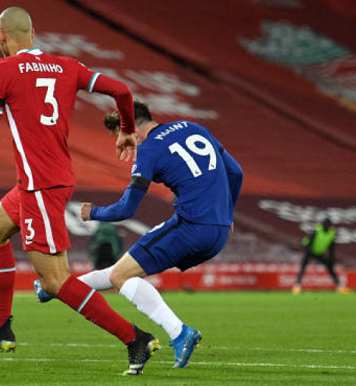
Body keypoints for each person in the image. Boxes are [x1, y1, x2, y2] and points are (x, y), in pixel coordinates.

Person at [0, 7, 158, 376]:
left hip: (41, 187)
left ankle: (135, 339)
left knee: (55, 280)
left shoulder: (0, 71)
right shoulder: (67, 66)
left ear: (1, 36)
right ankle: (2, 328)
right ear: (33, 31)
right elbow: (122, 90)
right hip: (41, 180)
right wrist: (127, 130)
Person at [37, 101, 243, 368]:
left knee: (121, 276)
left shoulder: (150, 149)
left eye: (122, 135)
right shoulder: (195, 128)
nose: (124, 144)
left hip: (191, 225)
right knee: (121, 270)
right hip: (219, 232)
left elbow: (126, 208)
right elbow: (235, 172)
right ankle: (52, 288)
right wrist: (228, 213)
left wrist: (93, 213)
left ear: (130, 128)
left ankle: (180, 333)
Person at [292, 218, 350, 294]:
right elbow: (309, 241)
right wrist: (307, 253)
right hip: (309, 250)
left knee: (330, 268)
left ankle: (339, 286)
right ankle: (297, 286)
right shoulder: (317, 230)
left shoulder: (331, 233)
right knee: (303, 267)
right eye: (326, 225)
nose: (327, 227)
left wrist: (331, 257)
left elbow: (331, 246)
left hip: (319, 252)